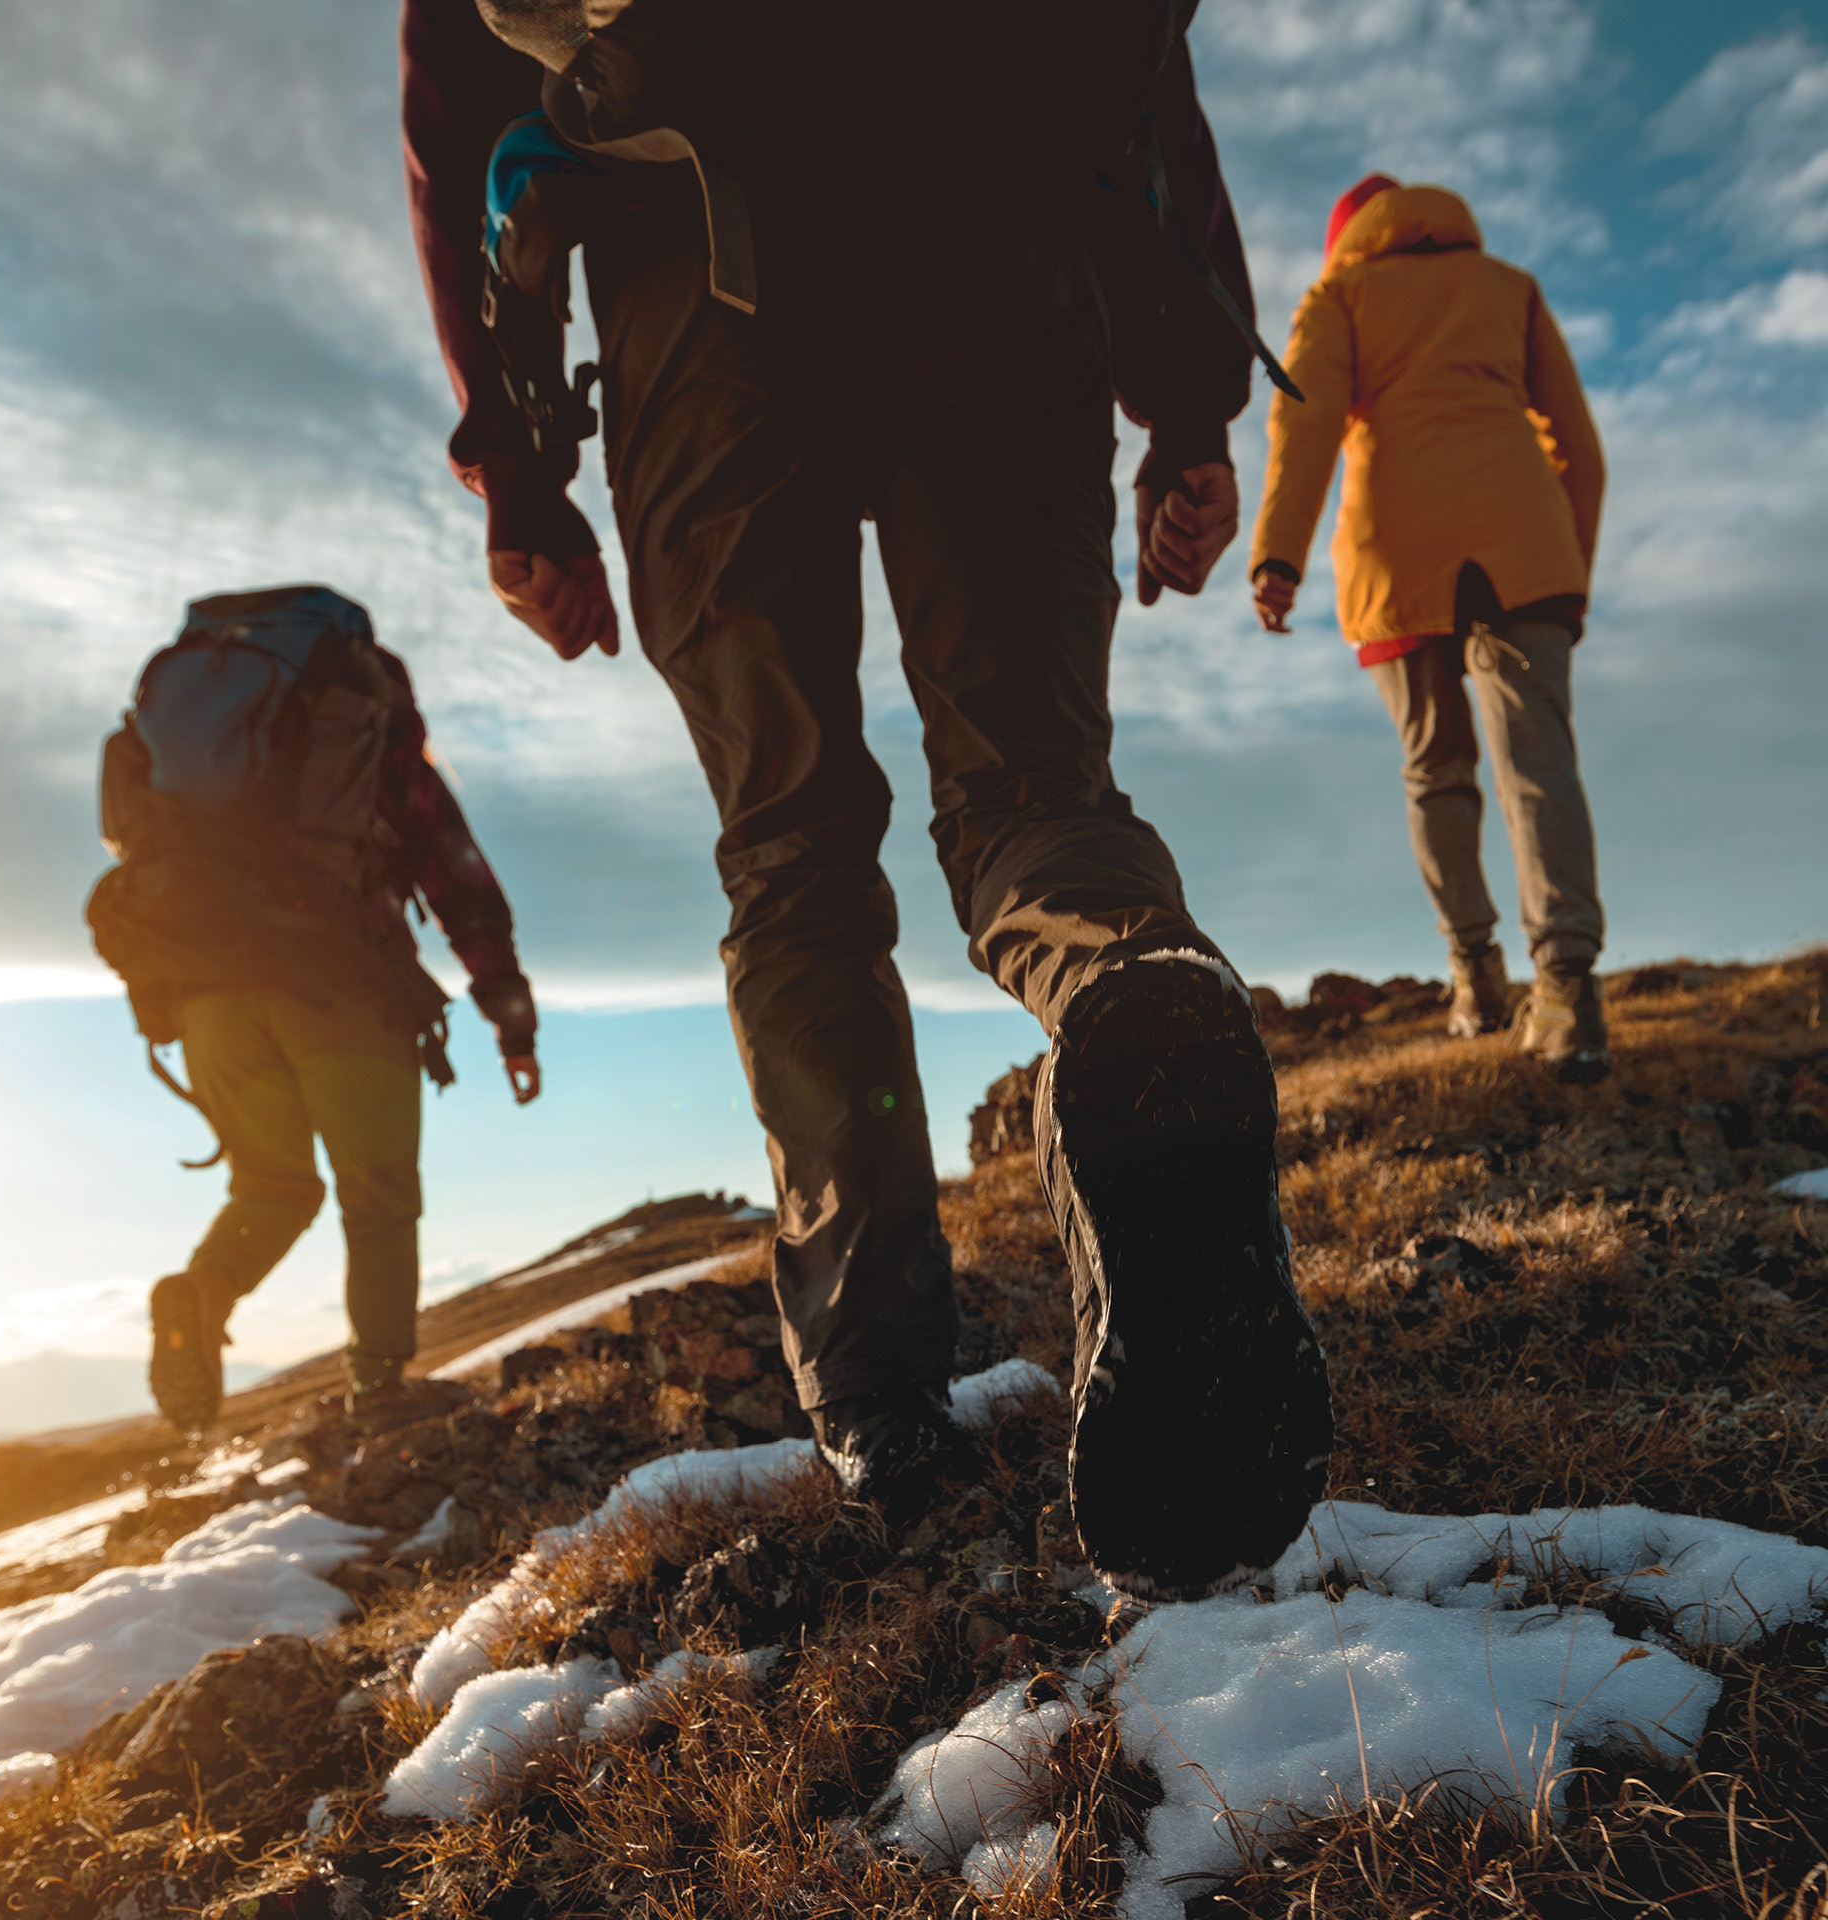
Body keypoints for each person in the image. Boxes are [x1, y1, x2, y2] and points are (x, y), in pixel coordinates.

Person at [398, 0, 1333, 1598]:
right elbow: (1142, 87)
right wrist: (1186, 407)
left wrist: (528, 473)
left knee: (791, 849)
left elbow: (456, 101)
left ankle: (887, 1404)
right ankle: (1126, 981)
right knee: (1034, 786)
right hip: (1003, 243)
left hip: (693, 274)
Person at [87, 585, 542, 1431]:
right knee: (376, 1197)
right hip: (339, 985)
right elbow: (461, 886)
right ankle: (381, 1388)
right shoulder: (374, 750)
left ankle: (201, 1292)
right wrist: (512, 1022)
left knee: (271, 1184)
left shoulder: (191, 742)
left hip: (209, 997)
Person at [1249, 175, 1611, 1082]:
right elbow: (1582, 448)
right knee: (1539, 757)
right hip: (1524, 543)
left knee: (1434, 769)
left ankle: (1476, 980)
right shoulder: (1507, 286)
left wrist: (1278, 553)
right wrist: (1565, 574)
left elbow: (1308, 416)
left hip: (1396, 550)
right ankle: (1565, 992)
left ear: (1347, 240)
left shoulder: (1342, 294)